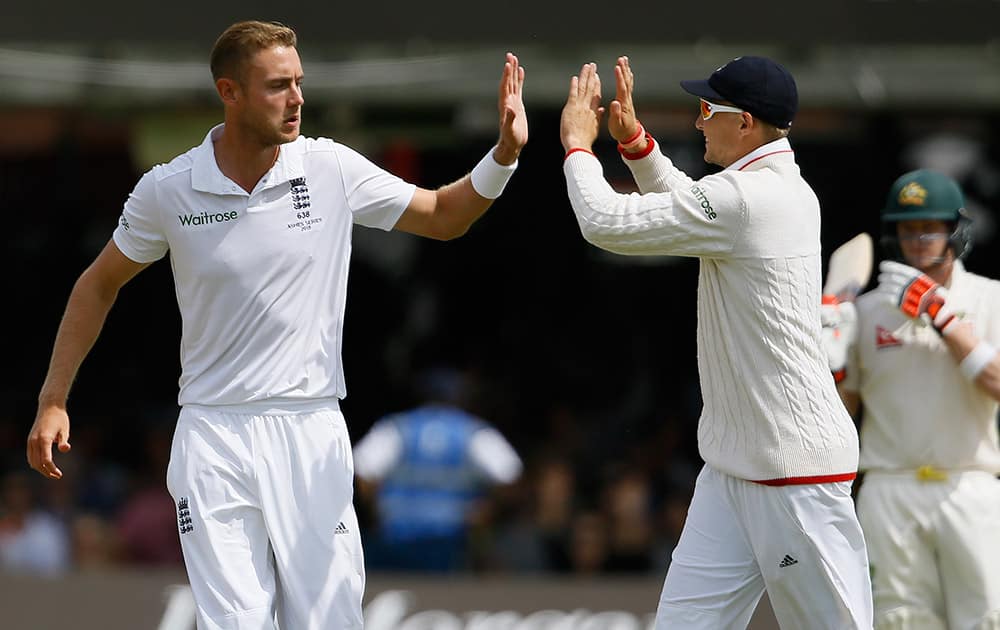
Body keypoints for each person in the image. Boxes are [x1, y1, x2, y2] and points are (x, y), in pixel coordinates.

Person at [25, 20, 527, 630]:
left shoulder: (331, 167)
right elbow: (96, 284)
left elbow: (444, 216)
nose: (296, 100)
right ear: (229, 92)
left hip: (310, 427)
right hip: (213, 434)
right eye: (277, 86)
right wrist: (54, 400)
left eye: (299, 83)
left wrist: (503, 156)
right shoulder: (167, 189)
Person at [558, 55, 872, 628]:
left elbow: (605, 223)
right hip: (732, 468)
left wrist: (579, 147)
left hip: (793, 471)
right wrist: (634, 144)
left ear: (745, 123)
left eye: (707, 110)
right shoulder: (762, 189)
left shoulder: (748, 200)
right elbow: (693, 207)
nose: (698, 121)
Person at [823, 169, 1000, 628]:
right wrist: (834, 365)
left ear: (954, 230)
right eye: (906, 229)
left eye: (930, 227)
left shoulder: (989, 299)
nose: (918, 239)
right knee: (899, 620)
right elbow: (846, 410)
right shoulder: (866, 309)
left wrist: (942, 316)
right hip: (889, 486)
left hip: (969, 483)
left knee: (986, 617)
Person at [352, 366, 522, 571]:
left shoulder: (397, 428)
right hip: (451, 541)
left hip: (395, 538)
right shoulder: (471, 431)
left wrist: (376, 514)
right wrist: (486, 512)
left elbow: (362, 472)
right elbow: (510, 475)